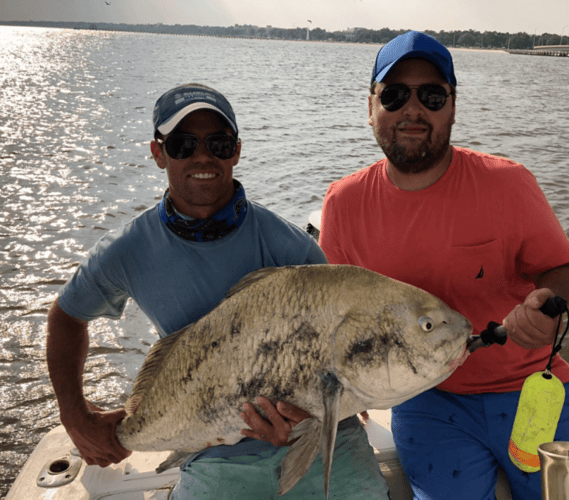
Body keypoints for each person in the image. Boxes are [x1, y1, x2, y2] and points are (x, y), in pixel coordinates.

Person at [46, 83, 389, 499]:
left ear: (237, 151)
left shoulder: (290, 247)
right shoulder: (127, 250)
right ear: (158, 153)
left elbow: (342, 357)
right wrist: (75, 415)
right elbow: (66, 317)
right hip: (210, 447)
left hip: (319, 437)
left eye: (219, 143)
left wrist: (311, 416)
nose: (203, 156)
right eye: (183, 144)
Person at [319, 31, 569, 500]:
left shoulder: (508, 184)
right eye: (394, 95)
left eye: (432, 95)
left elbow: (562, 270)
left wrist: (549, 305)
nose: (412, 110)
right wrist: (351, 397)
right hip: (424, 401)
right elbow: (333, 323)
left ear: (452, 107)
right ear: (370, 106)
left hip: (531, 389)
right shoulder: (343, 203)